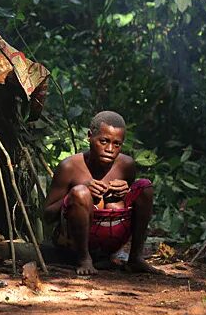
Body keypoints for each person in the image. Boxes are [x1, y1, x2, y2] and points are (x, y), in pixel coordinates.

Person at [43, 111, 161, 276]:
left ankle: (135, 258)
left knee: (145, 187)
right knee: (80, 192)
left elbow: (129, 205)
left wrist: (125, 192)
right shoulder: (69, 167)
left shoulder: (126, 165)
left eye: (117, 144)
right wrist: (74, 194)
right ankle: (84, 258)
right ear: (90, 136)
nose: (110, 149)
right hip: (72, 242)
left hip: (112, 239)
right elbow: (47, 215)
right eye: (104, 141)